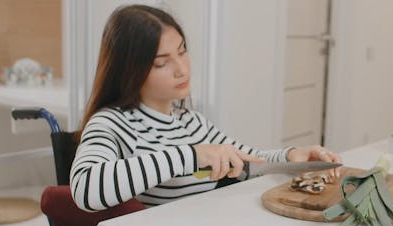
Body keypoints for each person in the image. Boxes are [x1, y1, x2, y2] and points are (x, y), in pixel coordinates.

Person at [70, 4, 341, 212]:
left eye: (182, 51)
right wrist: (191, 156)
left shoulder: (190, 121)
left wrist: (291, 157)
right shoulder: (111, 123)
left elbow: (245, 160)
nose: (182, 68)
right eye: (162, 63)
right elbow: (85, 190)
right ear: (130, 70)